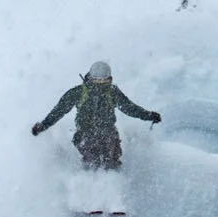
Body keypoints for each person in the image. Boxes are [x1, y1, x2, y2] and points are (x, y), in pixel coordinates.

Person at [31, 62, 162, 171]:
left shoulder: (112, 92)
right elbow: (59, 110)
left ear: (109, 79)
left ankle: (112, 183)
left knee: (111, 160)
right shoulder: (78, 92)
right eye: (96, 80)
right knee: (92, 160)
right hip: (85, 133)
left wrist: (148, 115)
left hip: (108, 133)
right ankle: (88, 183)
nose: (99, 83)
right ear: (90, 77)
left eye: (103, 80)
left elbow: (129, 108)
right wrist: (43, 125)